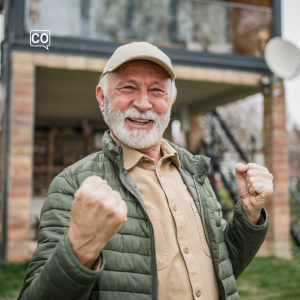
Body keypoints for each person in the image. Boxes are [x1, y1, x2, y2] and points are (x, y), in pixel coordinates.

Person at [18, 42, 273, 300]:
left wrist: (249, 215)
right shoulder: (72, 185)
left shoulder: (193, 172)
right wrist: (79, 250)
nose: (143, 103)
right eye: (128, 87)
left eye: (156, 90)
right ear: (102, 98)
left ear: (171, 100)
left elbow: (223, 269)